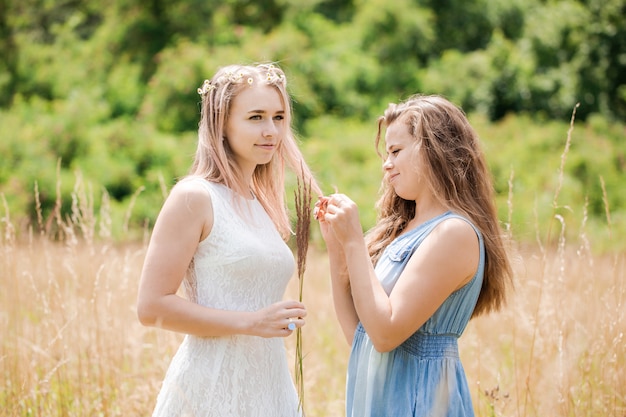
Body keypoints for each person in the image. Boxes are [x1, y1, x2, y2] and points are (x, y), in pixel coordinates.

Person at [137, 63, 320, 417]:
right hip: (211, 388)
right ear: (222, 122)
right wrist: (251, 323)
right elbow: (151, 307)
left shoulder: (261, 204)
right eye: (256, 117)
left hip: (270, 387)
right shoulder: (194, 196)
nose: (271, 131)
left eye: (279, 117)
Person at [315, 94, 513, 417]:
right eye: (386, 153)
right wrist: (338, 249)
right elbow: (361, 339)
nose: (386, 163)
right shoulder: (403, 230)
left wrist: (354, 240)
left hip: (420, 402)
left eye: (395, 151)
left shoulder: (454, 233)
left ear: (435, 149)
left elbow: (385, 333)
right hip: (380, 400)